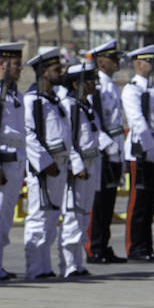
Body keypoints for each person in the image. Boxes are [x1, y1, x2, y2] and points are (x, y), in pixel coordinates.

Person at [23, 47, 74, 280]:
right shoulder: (32, 101)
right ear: (44, 73)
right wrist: (45, 163)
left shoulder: (53, 100)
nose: (60, 72)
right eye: (56, 69)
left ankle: (44, 267)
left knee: (51, 218)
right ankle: (35, 268)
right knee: (38, 217)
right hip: (44, 169)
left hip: (59, 165)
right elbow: (29, 136)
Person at [121, 44, 154, 262]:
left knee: (150, 203)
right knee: (138, 202)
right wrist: (151, 149)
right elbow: (137, 121)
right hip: (141, 152)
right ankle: (134, 246)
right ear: (137, 64)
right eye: (149, 61)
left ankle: (146, 246)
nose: (153, 65)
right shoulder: (132, 89)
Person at [60, 61, 105, 278]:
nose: (94, 84)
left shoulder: (86, 105)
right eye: (89, 80)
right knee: (72, 214)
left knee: (84, 216)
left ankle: (78, 262)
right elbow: (68, 140)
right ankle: (68, 264)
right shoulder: (68, 106)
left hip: (91, 165)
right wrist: (76, 165)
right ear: (78, 83)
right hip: (79, 169)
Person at [86, 40, 127, 265]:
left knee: (109, 202)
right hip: (103, 151)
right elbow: (93, 119)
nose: (117, 62)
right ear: (101, 61)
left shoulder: (110, 84)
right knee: (98, 202)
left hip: (114, 150)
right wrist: (106, 144)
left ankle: (103, 244)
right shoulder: (96, 86)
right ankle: (94, 246)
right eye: (113, 58)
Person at [0, 42, 26, 281]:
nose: (21, 68)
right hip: (3, 165)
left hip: (15, 163)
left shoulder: (16, 94)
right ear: (2, 64)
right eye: (17, 64)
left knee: (5, 219)